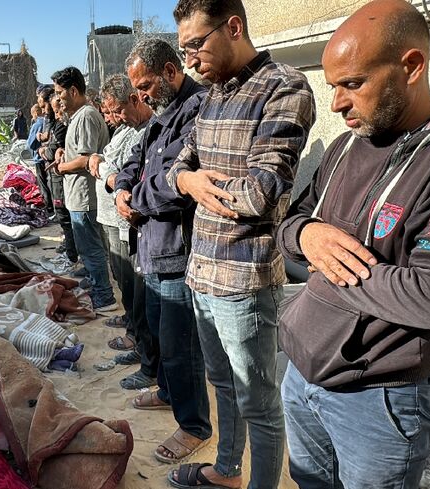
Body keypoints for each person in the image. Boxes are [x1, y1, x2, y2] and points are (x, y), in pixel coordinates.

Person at [275, 1, 430, 488]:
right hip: (302, 377)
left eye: (352, 84)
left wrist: (329, 268)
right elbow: (290, 223)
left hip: (376, 401)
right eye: (332, 85)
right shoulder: (344, 147)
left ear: (411, 67)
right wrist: (307, 235)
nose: (336, 103)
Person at [165, 1, 317, 487]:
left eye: (195, 44)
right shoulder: (210, 96)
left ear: (233, 27)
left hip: (245, 280)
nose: (189, 59)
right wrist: (189, 182)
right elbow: (176, 164)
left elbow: (263, 192)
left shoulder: (284, 87)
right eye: (183, 47)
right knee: (223, 386)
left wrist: (201, 186)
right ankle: (227, 470)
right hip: (201, 272)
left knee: (260, 402)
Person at [114, 38, 212, 465]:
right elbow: (135, 161)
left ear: (172, 72)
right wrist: (121, 186)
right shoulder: (160, 116)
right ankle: (169, 392)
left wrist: (133, 200)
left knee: (180, 345)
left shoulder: (196, 109)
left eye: (147, 85)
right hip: (151, 247)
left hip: (176, 249)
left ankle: (194, 425)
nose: (141, 96)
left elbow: (179, 184)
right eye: (137, 89)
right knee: (157, 328)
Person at [89, 74, 155, 379]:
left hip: (131, 223)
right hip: (116, 215)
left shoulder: (144, 131)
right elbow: (119, 171)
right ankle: (138, 340)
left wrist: (99, 166)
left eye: (116, 110)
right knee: (128, 287)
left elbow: (121, 174)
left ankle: (145, 351)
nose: (114, 117)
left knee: (139, 293)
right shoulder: (125, 130)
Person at [51, 66, 115, 311]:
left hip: (85, 195)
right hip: (78, 194)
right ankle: (94, 281)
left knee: (92, 249)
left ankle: (104, 297)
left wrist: (61, 167)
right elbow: (77, 153)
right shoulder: (79, 116)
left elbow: (86, 159)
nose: (58, 99)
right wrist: (62, 153)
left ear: (73, 90)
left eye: (60, 93)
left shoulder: (87, 115)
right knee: (89, 248)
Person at [40, 94, 78, 263]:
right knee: (63, 216)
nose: (56, 115)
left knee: (64, 214)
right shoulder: (58, 124)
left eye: (58, 110)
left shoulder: (63, 126)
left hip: (61, 179)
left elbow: (55, 148)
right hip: (56, 177)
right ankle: (71, 249)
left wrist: (46, 151)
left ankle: (72, 255)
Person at [27, 101, 53, 210]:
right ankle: (54, 204)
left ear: (35, 114)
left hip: (39, 158)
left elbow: (30, 143)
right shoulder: (48, 122)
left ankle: (48, 205)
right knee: (50, 181)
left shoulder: (36, 124)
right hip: (49, 157)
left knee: (43, 183)